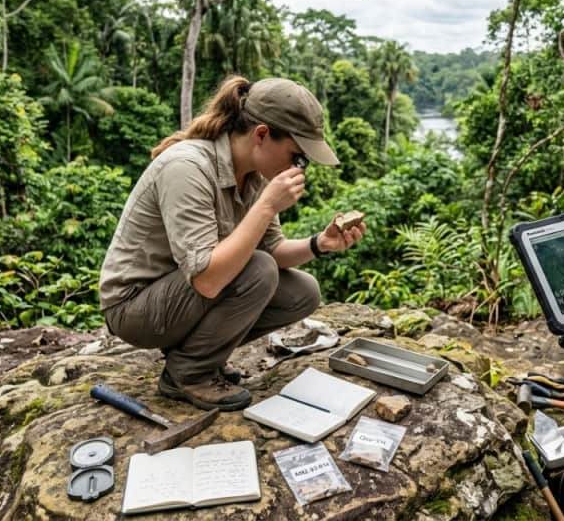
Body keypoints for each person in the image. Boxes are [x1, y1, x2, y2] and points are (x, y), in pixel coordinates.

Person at [98, 76, 366, 412]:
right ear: (262, 134)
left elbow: (273, 250)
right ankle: (188, 374)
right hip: (135, 307)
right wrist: (267, 204)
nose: (301, 167)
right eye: (298, 157)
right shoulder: (188, 166)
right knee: (259, 270)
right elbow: (208, 280)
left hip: (185, 297)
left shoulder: (254, 177)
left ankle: (198, 355)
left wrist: (320, 244)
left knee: (303, 292)